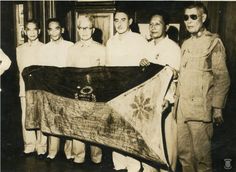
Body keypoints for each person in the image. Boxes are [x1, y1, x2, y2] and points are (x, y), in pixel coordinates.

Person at [176, 2, 230, 172]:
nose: (189, 21)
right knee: (184, 155)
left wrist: (217, 108)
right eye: (186, 17)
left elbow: (222, 78)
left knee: (202, 158)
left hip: (200, 110)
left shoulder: (213, 42)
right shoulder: (185, 44)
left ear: (203, 17)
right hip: (182, 109)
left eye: (193, 17)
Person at [106, 9, 150, 172]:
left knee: (131, 130)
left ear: (130, 21)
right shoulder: (110, 42)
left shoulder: (140, 40)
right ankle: (119, 164)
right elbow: (108, 69)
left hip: (134, 92)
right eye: (116, 20)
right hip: (116, 92)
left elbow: (147, 66)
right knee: (116, 128)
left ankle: (133, 165)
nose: (119, 23)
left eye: (123, 19)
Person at [140, 13, 181, 172]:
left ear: (166, 27)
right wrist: (142, 65)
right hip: (148, 100)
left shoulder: (173, 47)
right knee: (150, 141)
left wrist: (168, 99)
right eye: (151, 24)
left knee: (167, 141)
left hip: (165, 101)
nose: (153, 27)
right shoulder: (147, 46)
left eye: (157, 24)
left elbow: (175, 77)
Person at [66, 14, 105, 165]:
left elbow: (105, 73)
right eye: (81, 28)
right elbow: (68, 73)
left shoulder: (101, 49)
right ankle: (79, 156)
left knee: (94, 125)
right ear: (77, 29)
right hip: (76, 93)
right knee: (77, 126)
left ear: (93, 29)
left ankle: (97, 157)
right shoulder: (72, 49)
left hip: (95, 94)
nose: (84, 31)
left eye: (87, 28)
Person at [39, 18, 74, 160]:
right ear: (47, 31)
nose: (54, 32)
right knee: (52, 119)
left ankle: (69, 152)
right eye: (51, 29)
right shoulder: (44, 48)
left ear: (62, 30)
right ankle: (52, 152)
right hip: (51, 88)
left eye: (57, 28)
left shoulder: (70, 46)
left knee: (68, 120)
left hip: (67, 88)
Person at [16, 20, 47, 157]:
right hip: (25, 88)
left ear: (39, 31)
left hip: (40, 88)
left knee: (41, 117)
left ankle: (41, 147)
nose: (32, 32)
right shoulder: (19, 49)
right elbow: (20, 69)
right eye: (29, 29)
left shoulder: (45, 48)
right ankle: (29, 145)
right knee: (26, 117)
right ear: (25, 32)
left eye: (35, 29)